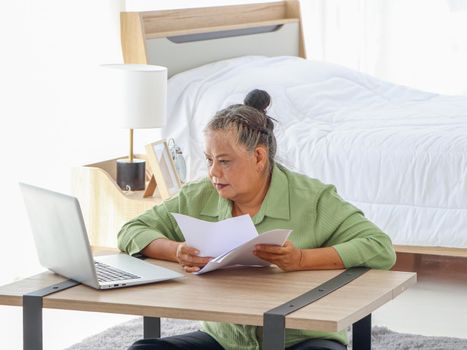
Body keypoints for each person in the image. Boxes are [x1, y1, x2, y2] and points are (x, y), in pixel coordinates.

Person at [118, 89, 396, 350]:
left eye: (225, 161)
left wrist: (301, 260)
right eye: (209, 160)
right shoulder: (199, 194)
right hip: (225, 341)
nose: (214, 172)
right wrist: (176, 251)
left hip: (300, 340)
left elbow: (380, 247)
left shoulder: (313, 199)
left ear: (259, 157)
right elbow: (132, 230)